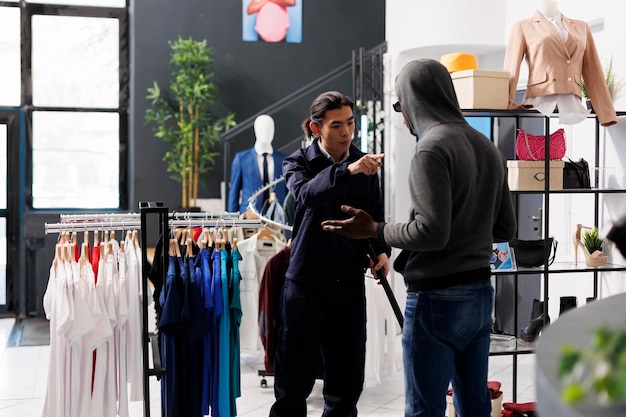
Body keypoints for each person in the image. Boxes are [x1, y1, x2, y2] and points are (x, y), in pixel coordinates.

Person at [321, 59, 517, 417]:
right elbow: (505, 230)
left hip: (435, 298)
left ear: (413, 100)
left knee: (424, 409)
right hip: (479, 293)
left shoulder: (431, 148)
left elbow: (430, 232)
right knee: (474, 403)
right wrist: (468, 229)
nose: (402, 116)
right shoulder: (487, 146)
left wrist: (375, 229)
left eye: (400, 106)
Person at [269, 90, 390, 417]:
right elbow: (307, 195)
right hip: (305, 286)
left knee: (346, 383)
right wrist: (348, 171)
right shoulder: (297, 162)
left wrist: (380, 251)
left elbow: (374, 214)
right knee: (293, 382)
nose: (346, 132)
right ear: (315, 127)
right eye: (337, 125)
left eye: (350, 123)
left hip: (348, 284)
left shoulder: (365, 163)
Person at [503, 0, 617, 126]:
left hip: (571, 100)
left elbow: (594, 72)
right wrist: (506, 103)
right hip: (540, 98)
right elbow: (511, 69)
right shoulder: (523, 26)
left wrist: (606, 113)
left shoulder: (581, 27)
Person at [227, 114, 287, 213]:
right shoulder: (242, 159)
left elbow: (289, 193)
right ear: (256, 130)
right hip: (250, 216)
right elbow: (234, 193)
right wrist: (232, 220)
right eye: (262, 129)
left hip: (277, 217)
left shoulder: (283, 159)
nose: (266, 133)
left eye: (270, 129)